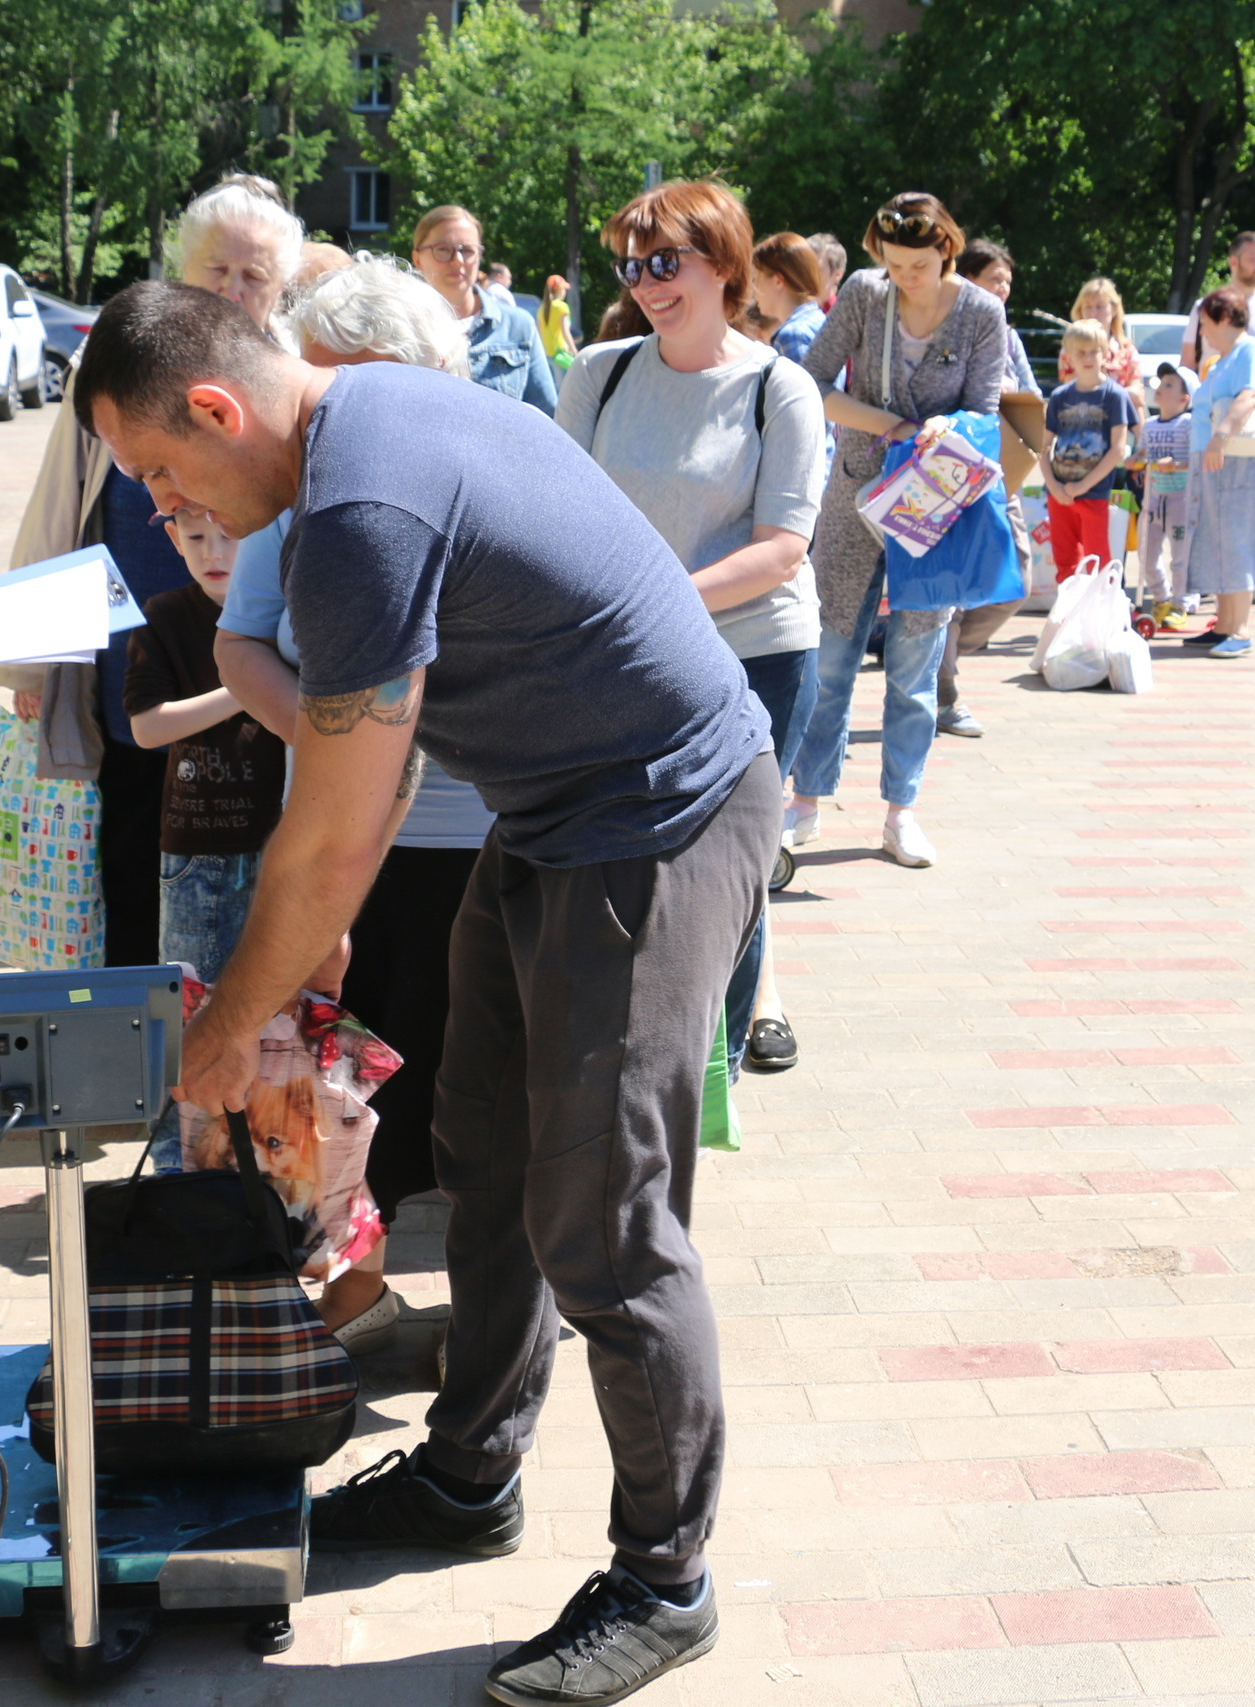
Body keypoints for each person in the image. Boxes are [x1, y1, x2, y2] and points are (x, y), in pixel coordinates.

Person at [74, 279, 777, 1707]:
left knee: (609, 1222)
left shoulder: (356, 511)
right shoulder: (358, 428)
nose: (166, 503)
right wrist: (315, 940)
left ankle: (668, 1577)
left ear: (217, 407)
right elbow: (370, 769)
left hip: (659, 823)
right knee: (489, 1157)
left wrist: (220, 1036)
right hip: (552, 819)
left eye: (162, 468)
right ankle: (471, 1474)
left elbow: (329, 830)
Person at [213, 258, 486, 1356]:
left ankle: (493, 1313)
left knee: (475, 1084)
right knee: (332, 1087)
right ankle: (352, 1300)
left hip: (473, 839)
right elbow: (239, 644)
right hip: (340, 845)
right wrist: (333, 747)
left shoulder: (464, 477)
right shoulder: (290, 490)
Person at [562, 180, 824, 1077]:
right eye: (632, 266)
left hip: (755, 658)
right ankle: (646, 1058)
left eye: (665, 261)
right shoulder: (598, 375)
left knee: (726, 866)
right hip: (626, 657)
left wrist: (651, 596)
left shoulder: (779, 387)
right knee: (639, 856)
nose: (645, 283)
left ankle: (709, 1073)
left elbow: (783, 548)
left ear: (725, 263)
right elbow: (565, 516)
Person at [8, 174, 303, 967]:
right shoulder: (120, 358)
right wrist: (33, 657)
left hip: (263, 668)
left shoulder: (292, 377)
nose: (236, 290)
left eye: (256, 276)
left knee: (252, 859)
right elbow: (59, 506)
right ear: (182, 268)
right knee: (134, 849)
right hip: (134, 649)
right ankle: (142, 1044)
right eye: (218, 271)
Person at [790, 192, 1004, 871]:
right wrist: (892, 425)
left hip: (933, 508)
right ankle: (806, 800)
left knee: (915, 668)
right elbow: (810, 382)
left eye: (918, 265)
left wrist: (954, 428)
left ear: (947, 249)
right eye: (893, 264)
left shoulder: (981, 312)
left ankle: (900, 811)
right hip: (856, 494)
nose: (904, 277)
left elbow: (987, 410)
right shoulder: (862, 293)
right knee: (829, 659)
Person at [124, 509, 286, 981]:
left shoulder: (287, 615)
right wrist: (245, 685)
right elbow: (146, 727)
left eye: (229, 536)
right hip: (199, 843)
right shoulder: (164, 614)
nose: (212, 552)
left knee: (277, 1001)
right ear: (173, 538)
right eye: (195, 537)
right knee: (193, 1004)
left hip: (284, 836)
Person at [934, 238, 1040, 740]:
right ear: (967, 278)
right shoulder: (941, 330)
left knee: (1016, 575)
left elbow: (1030, 397)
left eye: (1007, 283)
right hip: (950, 475)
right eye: (995, 279)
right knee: (949, 592)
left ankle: (932, 649)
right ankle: (944, 689)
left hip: (1003, 474)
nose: (1003, 289)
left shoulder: (1010, 337)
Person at [1182, 289, 1255, 659]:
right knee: (1219, 541)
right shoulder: (1222, 360)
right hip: (1217, 463)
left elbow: (1249, 396)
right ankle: (1223, 624)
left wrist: (1220, 438)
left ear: (1223, 319)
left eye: (1205, 324)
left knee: (1238, 540)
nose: (1202, 332)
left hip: (1239, 462)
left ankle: (1240, 629)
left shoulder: (1251, 351)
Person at [409, 204, 558, 413]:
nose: (457, 261)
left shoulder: (516, 327)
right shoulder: (400, 329)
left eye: (468, 251)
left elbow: (547, 415)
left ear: (480, 256)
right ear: (417, 259)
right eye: (443, 250)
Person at [1178, 232, 1255, 448]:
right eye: (1253, 259)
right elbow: (1187, 365)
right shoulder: (1205, 307)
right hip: (1209, 420)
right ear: (1233, 262)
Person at [1040, 319, 1135, 578]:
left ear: (1105, 353)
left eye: (1094, 351)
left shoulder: (1114, 395)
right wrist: (1055, 487)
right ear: (1069, 356)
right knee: (1065, 561)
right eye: (1080, 352)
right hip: (1059, 493)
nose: (1088, 357)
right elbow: (1043, 448)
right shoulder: (1060, 396)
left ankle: (1102, 614)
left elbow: (1117, 449)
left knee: (1097, 560)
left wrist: (1082, 486)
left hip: (1093, 492)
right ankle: (1071, 613)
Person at [1134, 363, 1197, 620]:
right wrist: (1135, 460)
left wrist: (1176, 466)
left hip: (1180, 501)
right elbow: (1142, 453)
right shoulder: (1149, 425)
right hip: (1153, 499)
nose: (1160, 388)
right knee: (1146, 552)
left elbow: (1197, 461)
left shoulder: (1188, 424)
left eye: (1169, 384)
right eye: (1161, 383)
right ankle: (1161, 597)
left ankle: (1182, 603)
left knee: (1181, 556)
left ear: (1185, 399)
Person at [752, 232, 828, 365]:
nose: (754, 290)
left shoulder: (792, 336)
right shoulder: (821, 321)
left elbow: (802, 386)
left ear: (778, 281)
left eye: (756, 279)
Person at [1070, 276, 1142, 398]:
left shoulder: (1128, 351)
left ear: (1114, 310)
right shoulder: (1070, 349)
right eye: (1087, 306)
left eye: (1100, 306)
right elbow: (1071, 391)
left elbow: (1137, 395)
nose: (1093, 312)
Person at [534, 273, 578, 366]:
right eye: (564, 289)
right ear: (560, 290)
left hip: (545, 355)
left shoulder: (541, 308)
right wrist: (575, 351)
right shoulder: (562, 307)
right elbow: (565, 332)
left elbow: (538, 332)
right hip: (560, 355)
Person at [804, 232, 847, 309]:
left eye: (815, 270)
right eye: (803, 268)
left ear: (837, 275)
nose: (806, 275)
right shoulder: (784, 314)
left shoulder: (842, 317)